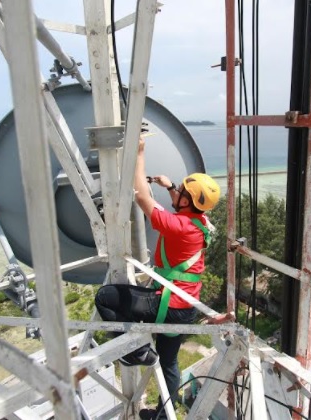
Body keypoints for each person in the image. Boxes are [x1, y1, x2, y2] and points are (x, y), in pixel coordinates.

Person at [94, 137, 221, 419]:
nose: (177, 197)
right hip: (185, 308)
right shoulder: (202, 225)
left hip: (168, 305)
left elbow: (141, 196)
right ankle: (164, 416)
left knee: (106, 298)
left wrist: (139, 154)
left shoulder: (178, 225)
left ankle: (137, 349)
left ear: (188, 201)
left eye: (182, 194)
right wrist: (171, 186)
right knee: (170, 362)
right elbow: (182, 204)